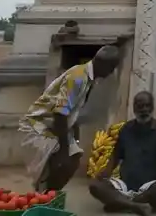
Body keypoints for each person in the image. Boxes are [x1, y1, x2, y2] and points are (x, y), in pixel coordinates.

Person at [19, 45, 120, 191]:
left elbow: (72, 111)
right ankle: (43, 198)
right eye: (112, 67)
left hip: (56, 126)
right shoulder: (78, 77)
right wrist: (63, 151)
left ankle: (49, 196)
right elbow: (60, 113)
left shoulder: (88, 79)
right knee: (57, 164)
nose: (112, 72)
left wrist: (74, 138)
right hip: (39, 124)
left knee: (71, 162)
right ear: (103, 64)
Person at [89, 91, 156, 214]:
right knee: (95, 186)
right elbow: (116, 155)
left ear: (152, 107)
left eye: (147, 106)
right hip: (125, 186)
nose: (144, 110)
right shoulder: (125, 129)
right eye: (140, 106)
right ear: (134, 108)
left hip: (149, 186)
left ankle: (120, 203)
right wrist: (105, 173)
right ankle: (135, 206)